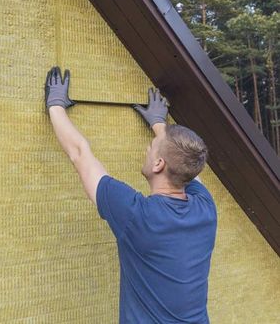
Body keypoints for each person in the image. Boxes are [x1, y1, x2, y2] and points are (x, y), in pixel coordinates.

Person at [45, 66, 217, 324]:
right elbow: (188, 164)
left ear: (159, 164)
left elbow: (80, 154)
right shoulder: (206, 208)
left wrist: (55, 106)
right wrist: (160, 126)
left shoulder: (137, 216)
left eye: (152, 149)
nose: (147, 150)